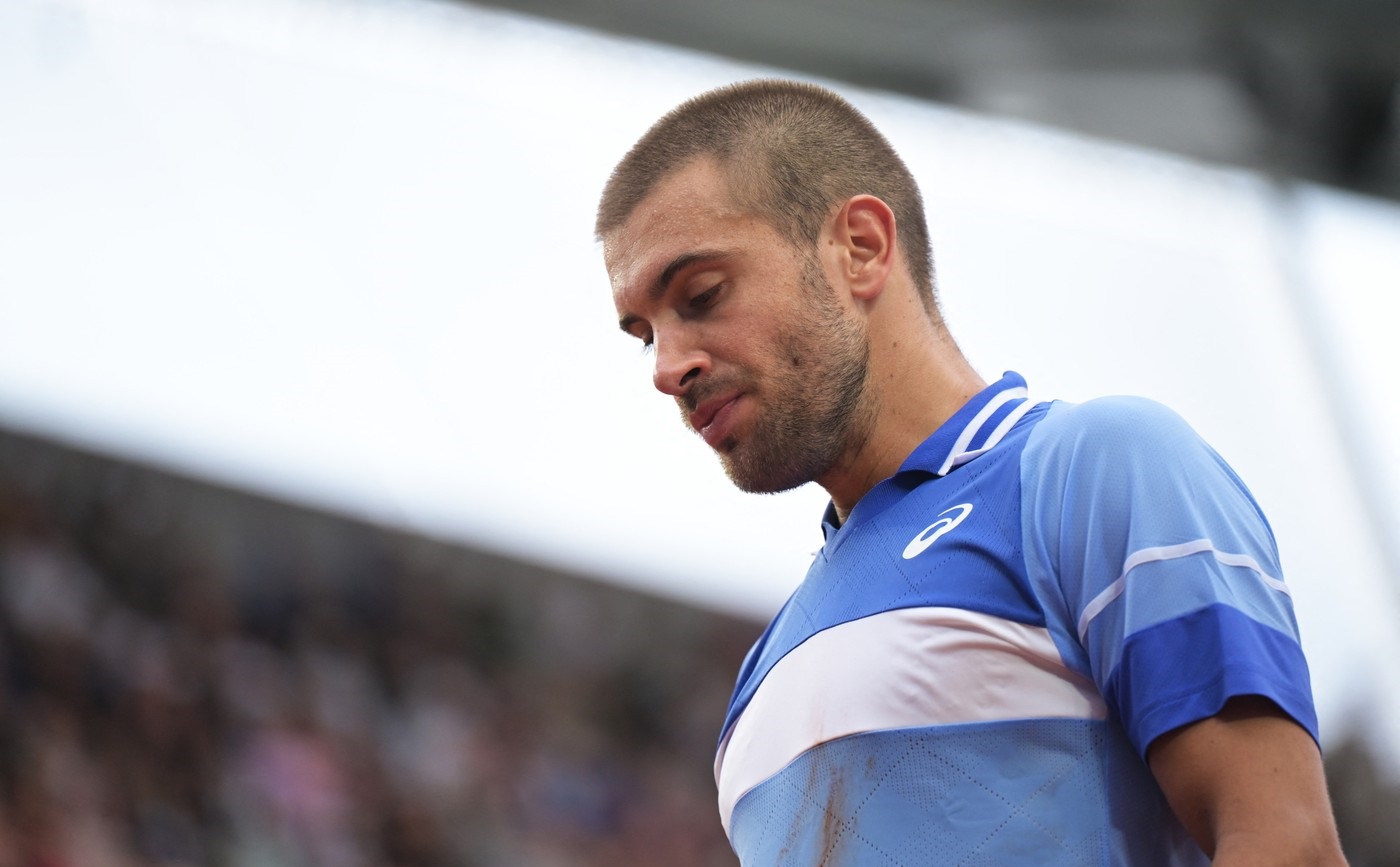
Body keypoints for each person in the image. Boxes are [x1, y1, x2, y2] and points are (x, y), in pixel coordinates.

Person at [596, 79, 1347, 866]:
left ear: (859, 247)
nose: (667, 367)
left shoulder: (1093, 469)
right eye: (646, 333)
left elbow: (1287, 844)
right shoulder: (757, 685)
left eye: (703, 295)